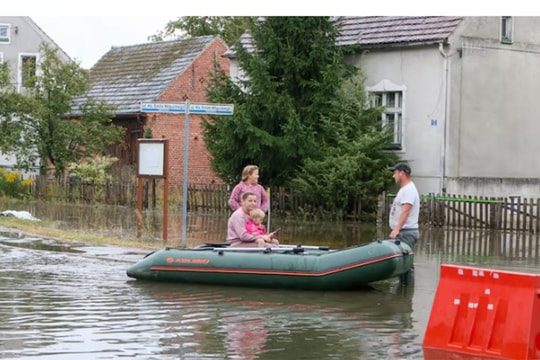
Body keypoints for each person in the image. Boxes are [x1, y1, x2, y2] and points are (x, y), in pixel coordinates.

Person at [388, 163, 420, 248]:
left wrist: (396, 229)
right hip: (403, 232)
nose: (393, 176)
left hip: (406, 232)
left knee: (404, 259)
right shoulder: (405, 189)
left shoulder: (408, 190)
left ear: (401, 173)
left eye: (395, 173)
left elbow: (406, 211)